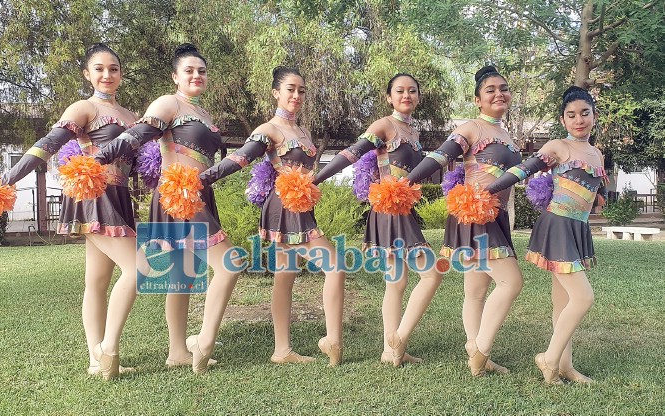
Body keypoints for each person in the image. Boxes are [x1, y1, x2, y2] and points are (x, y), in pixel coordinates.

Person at [94, 43, 237, 374]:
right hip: (179, 195)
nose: (196, 75)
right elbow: (138, 134)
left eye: (201, 70)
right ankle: (202, 342)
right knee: (230, 264)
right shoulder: (168, 103)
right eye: (188, 70)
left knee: (181, 278)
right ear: (175, 76)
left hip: (199, 195)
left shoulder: (203, 113)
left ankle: (174, 352)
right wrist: (100, 156)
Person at [0, 43, 138, 379]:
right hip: (94, 196)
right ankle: (107, 350)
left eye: (114, 68)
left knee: (98, 280)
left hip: (120, 197)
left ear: (121, 73)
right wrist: (8, 178)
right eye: (99, 68)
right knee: (139, 269)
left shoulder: (133, 117)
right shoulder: (83, 108)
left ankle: (94, 358)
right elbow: (47, 146)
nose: (107, 75)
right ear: (87, 74)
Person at [199, 66, 345, 366]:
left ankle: (282, 350)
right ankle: (333, 341)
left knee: (285, 277)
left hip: (301, 204)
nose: (296, 95)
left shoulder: (303, 131)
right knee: (335, 265)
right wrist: (201, 180)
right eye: (290, 89)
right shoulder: (268, 130)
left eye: (301, 90)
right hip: (285, 207)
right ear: (276, 93)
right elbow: (238, 160)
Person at [314, 73, 444, 367]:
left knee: (396, 283)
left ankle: (391, 351)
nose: (406, 95)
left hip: (401, 209)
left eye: (412, 91)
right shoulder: (383, 126)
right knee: (432, 273)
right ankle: (399, 337)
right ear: (389, 97)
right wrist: (318, 178)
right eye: (399, 91)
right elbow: (351, 153)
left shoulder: (413, 132)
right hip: (389, 210)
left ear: (418, 97)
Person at [407, 66, 523, 376]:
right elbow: (439, 157)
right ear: (477, 100)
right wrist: (408, 182)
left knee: (476, 289)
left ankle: (476, 351)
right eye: (490, 90)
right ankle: (480, 353)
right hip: (475, 215)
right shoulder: (471, 128)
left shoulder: (506, 134)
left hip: (496, 217)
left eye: (503, 87)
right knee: (511, 282)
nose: (499, 93)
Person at [484, 86, 603, 384]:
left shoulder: (597, 153)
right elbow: (523, 170)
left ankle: (565, 366)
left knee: (562, 302)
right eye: (571, 115)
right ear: (563, 120)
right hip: (558, 225)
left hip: (578, 227)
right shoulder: (557, 146)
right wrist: (487, 189)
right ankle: (548, 360)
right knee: (583, 297)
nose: (579, 120)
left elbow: (594, 191)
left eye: (584, 114)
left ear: (594, 116)